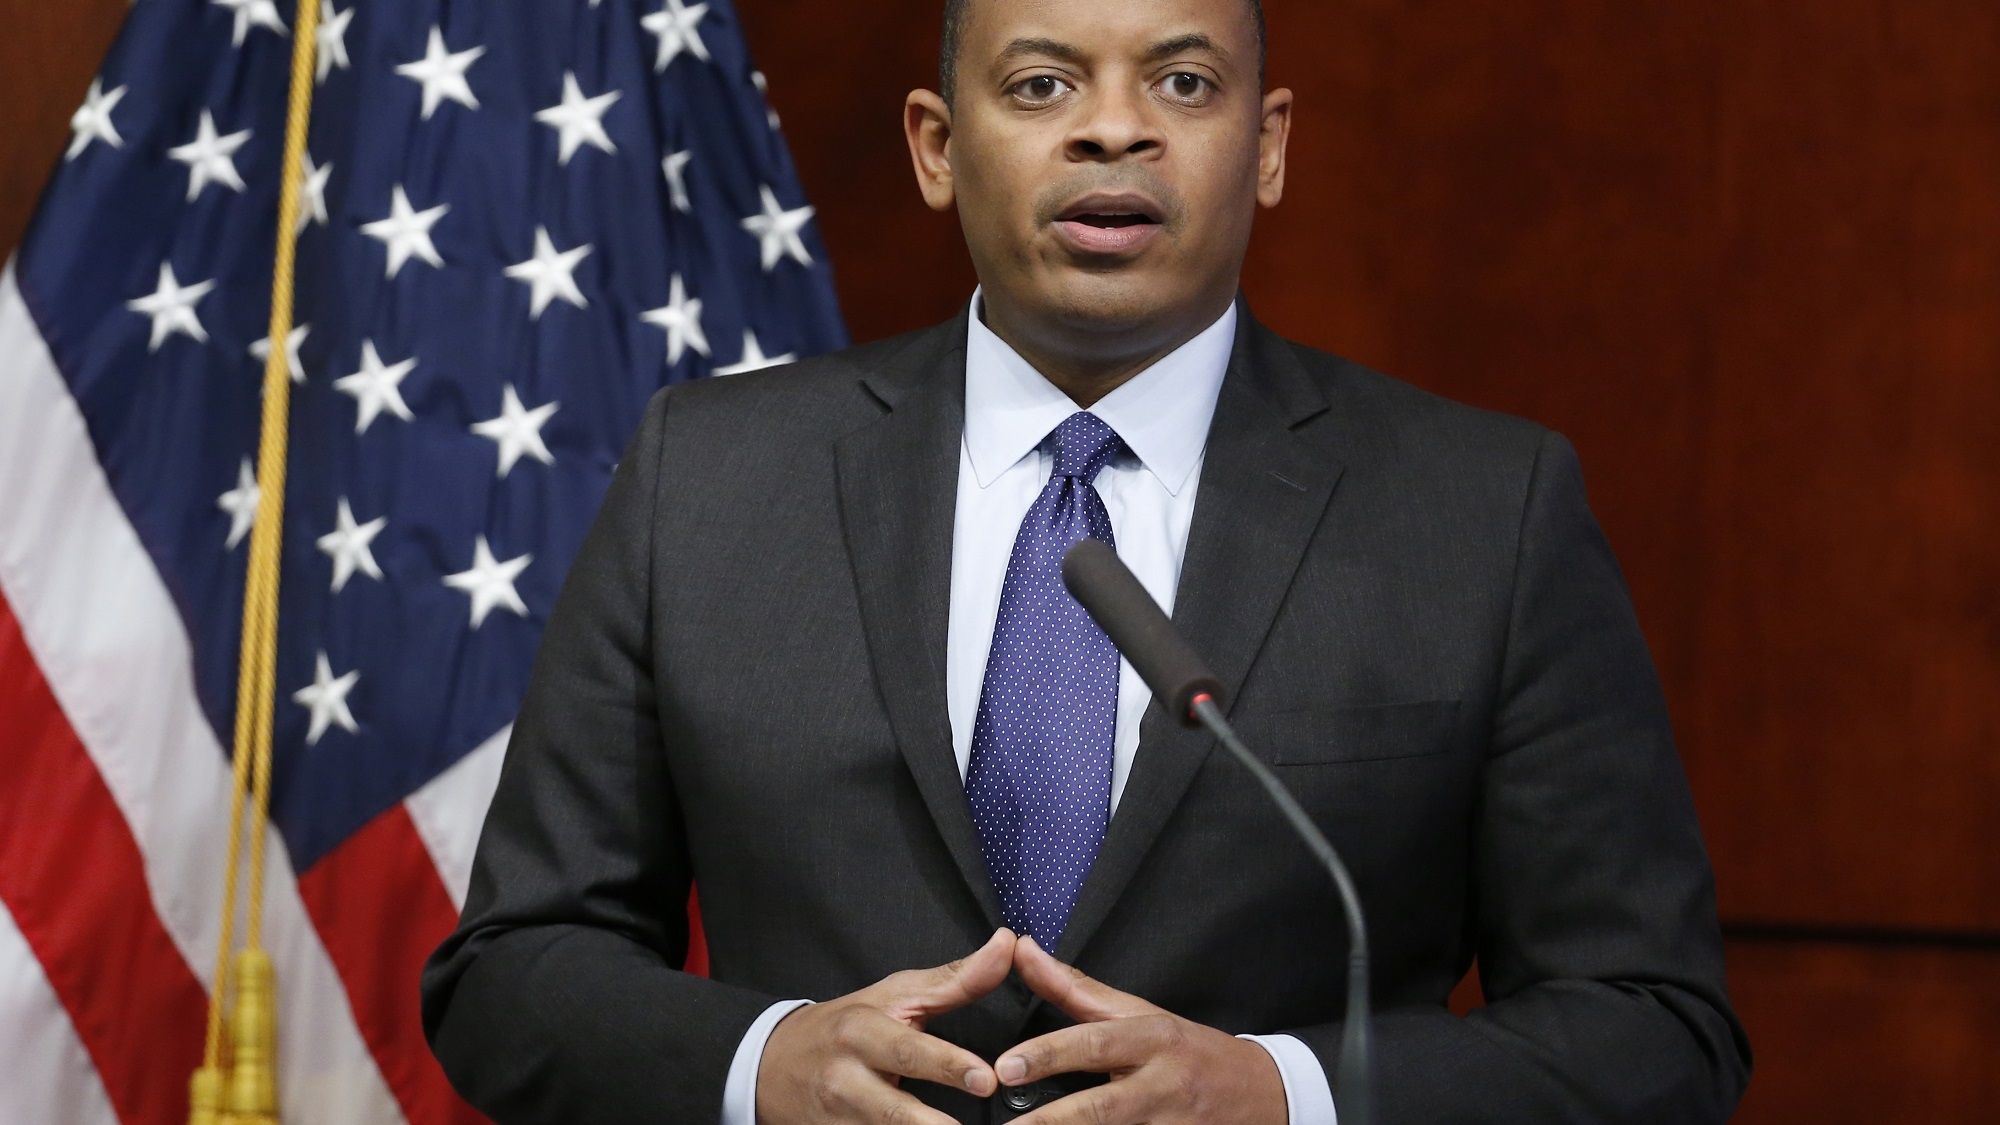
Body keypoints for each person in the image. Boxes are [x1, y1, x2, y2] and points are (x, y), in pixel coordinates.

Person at [421, 0, 1752, 1121]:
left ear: (1270, 144)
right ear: (937, 147)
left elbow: (1658, 1024)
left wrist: (1280, 1090)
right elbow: (511, 966)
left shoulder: (1482, 509)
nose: (1115, 127)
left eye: (1182, 79)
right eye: (1043, 81)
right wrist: (762, 1062)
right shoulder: (710, 477)